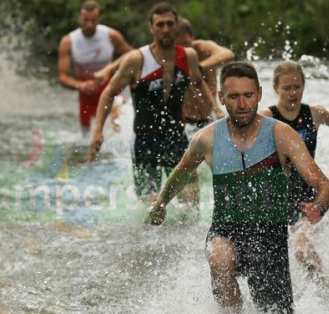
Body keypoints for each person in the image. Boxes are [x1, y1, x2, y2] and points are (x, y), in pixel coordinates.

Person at [148, 61, 329, 314]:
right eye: (234, 96)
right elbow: (182, 173)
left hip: (269, 241)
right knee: (218, 257)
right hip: (227, 229)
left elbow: (325, 186)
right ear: (222, 97)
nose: (242, 103)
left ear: (260, 94)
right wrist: (161, 202)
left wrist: (318, 207)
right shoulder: (206, 139)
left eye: (248, 95)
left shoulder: (281, 134)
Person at [88, 2, 217, 205]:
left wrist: (216, 108)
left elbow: (198, 81)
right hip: (145, 141)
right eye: (160, 25)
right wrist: (98, 132)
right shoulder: (136, 59)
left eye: (169, 24)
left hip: (176, 136)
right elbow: (109, 93)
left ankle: (188, 236)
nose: (165, 29)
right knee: (150, 206)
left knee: (191, 199)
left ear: (176, 26)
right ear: (151, 28)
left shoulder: (188, 56)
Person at [259, 60, 329, 278]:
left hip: (307, 197)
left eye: (297, 87)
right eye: (286, 88)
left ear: (304, 86)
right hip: (274, 198)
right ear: (275, 88)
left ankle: (319, 287)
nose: (292, 92)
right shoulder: (267, 117)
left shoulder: (314, 114)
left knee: (301, 247)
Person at [57, 0, 133, 137]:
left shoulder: (110, 35)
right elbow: (63, 77)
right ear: (79, 18)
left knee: (118, 123)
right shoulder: (68, 42)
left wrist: (110, 69)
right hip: (86, 93)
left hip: (110, 86)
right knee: (88, 138)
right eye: (86, 20)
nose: (89, 24)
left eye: (93, 20)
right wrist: (80, 85)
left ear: (99, 19)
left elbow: (133, 56)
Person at [175, 17, 235, 139]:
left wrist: (199, 67)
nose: (183, 51)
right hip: (187, 122)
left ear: (190, 36)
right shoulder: (172, 57)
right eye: (178, 47)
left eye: (184, 44)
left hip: (212, 116)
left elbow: (228, 54)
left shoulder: (203, 48)